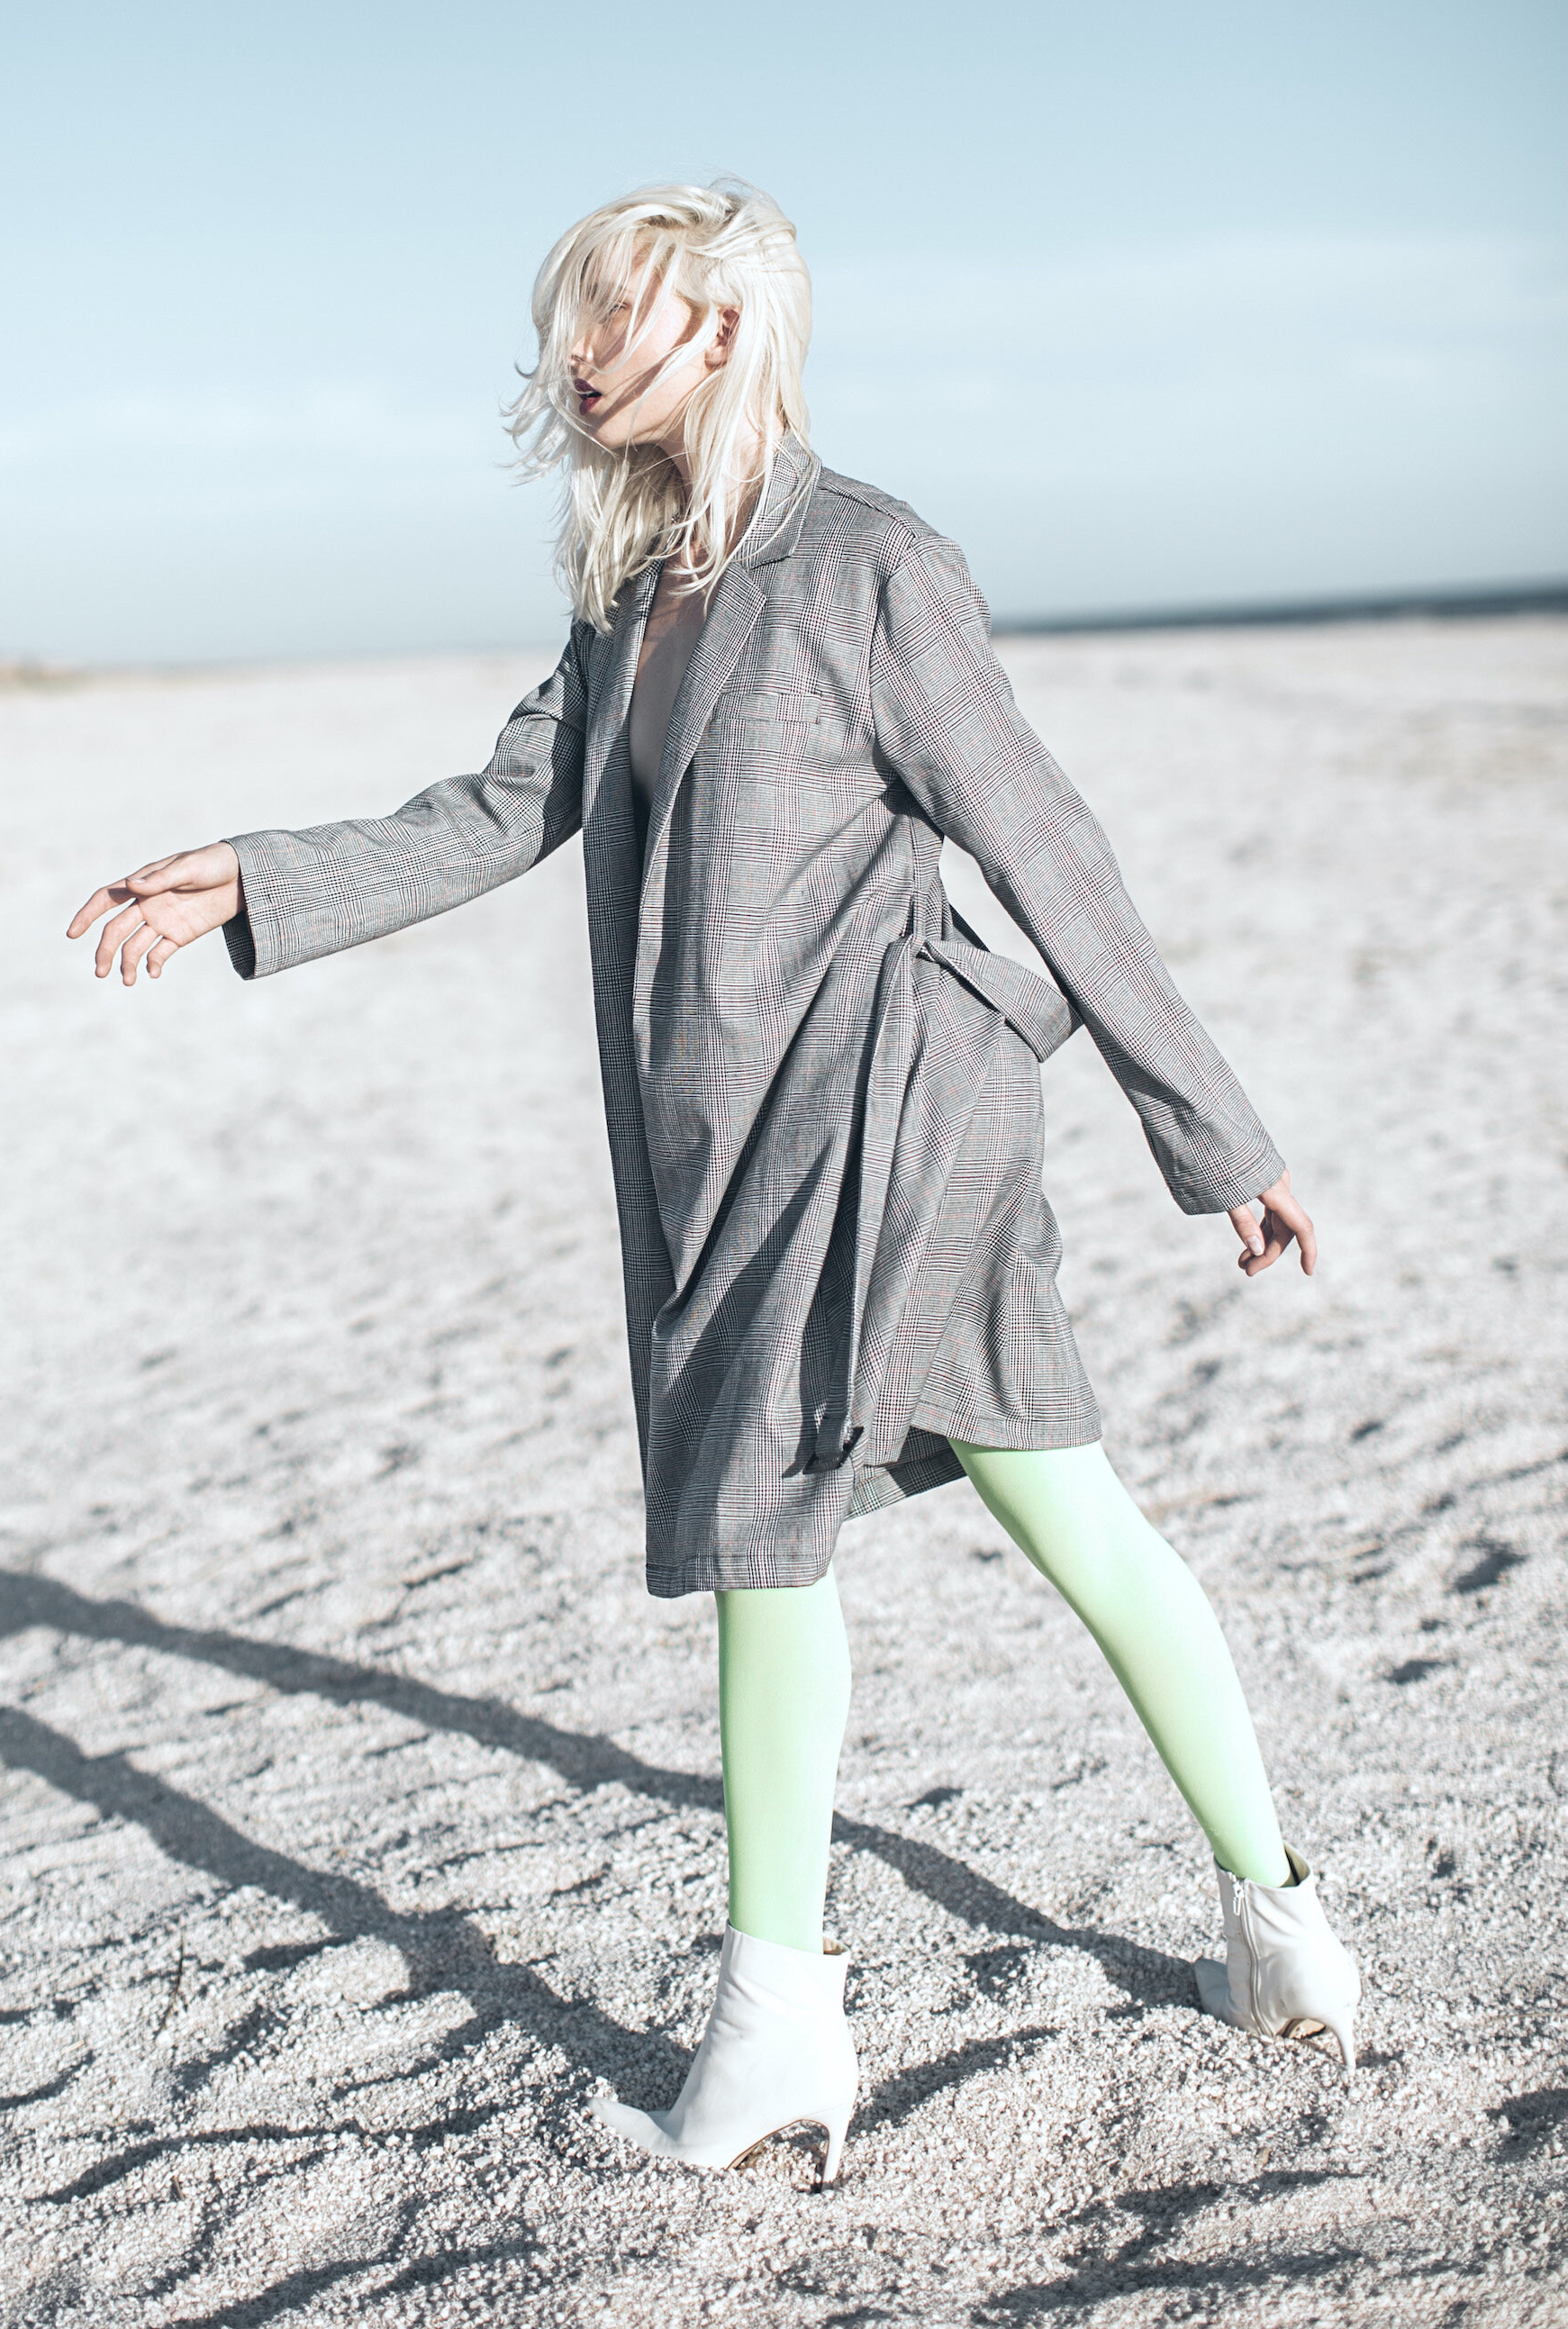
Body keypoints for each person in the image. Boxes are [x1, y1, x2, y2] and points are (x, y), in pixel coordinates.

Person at [68, 178, 1361, 2184]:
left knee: (773, 1538)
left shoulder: (875, 567)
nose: (575, 357)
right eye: (567, 321)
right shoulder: (635, 583)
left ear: (726, 329)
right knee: (1068, 1514)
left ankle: (777, 2029)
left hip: (894, 1124)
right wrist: (256, 871)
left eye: (613, 319)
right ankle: (1282, 1926)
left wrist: (1221, 1141)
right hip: (724, 1145)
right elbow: (509, 806)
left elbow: (1050, 851)